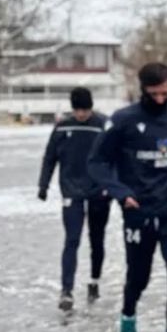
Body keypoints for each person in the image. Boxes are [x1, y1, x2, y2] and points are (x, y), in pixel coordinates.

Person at [89, 62, 167, 332]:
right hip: (139, 209)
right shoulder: (123, 121)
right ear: (143, 90)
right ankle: (128, 311)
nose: (162, 99)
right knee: (140, 277)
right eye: (155, 94)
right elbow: (96, 163)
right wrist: (122, 194)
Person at [37, 88, 109, 311]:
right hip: (72, 191)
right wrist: (43, 184)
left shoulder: (103, 125)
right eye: (78, 110)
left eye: (85, 110)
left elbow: (116, 156)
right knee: (72, 240)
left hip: (99, 191)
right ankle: (66, 290)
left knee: (97, 240)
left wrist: (115, 185)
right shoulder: (62, 127)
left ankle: (94, 281)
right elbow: (50, 157)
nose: (81, 115)